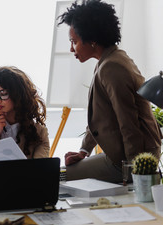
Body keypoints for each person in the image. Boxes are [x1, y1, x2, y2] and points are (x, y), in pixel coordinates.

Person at [58, 0, 162, 183]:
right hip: (123, 154)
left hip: (131, 159)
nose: (71, 49)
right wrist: (84, 151)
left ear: (92, 40)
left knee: (60, 177)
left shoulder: (111, 67)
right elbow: (101, 116)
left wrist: (134, 172)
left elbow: (128, 122)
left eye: (74, 42)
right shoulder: (110, 59)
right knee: (63, 173)